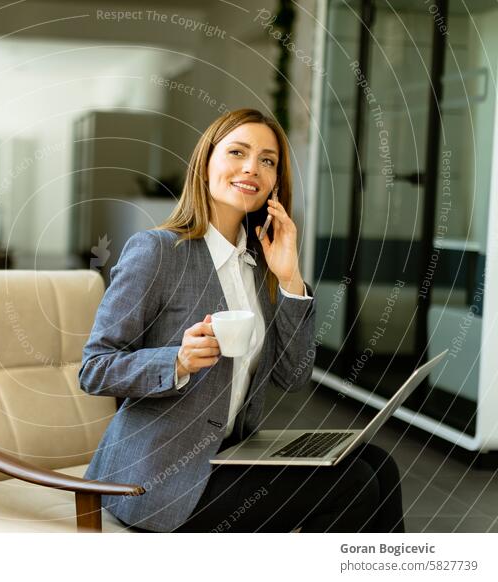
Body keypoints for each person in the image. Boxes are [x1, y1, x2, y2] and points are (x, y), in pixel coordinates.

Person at [78, 108, 404, 533]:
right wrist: (176, 361)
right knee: (353, 483)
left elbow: (293, 375)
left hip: (229, 457)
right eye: (237, 152)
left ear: (275, 182)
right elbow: (94, 369)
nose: (252, 167)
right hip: (157, 480)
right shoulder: (157, 251)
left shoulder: (260, 265)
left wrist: (290, 277)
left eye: (268, 160)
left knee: (377, 463)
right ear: (206, 162)